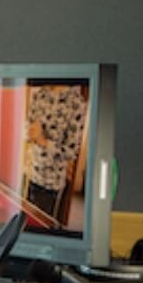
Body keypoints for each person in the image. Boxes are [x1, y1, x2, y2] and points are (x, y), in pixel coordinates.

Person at [23, 83, 87, 226]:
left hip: (50, 184)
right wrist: (28, 133)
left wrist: (42, 140)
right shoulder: (40, 95)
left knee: (41, 228)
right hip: (29, 174)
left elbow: (71, 152)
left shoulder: (76, 103)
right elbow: (27, 128)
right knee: (24, 226)